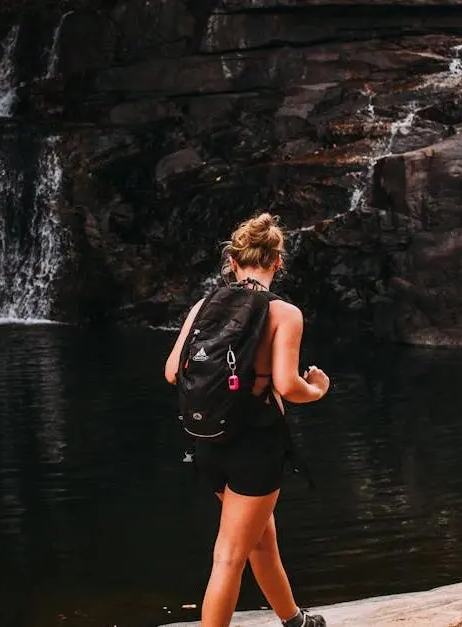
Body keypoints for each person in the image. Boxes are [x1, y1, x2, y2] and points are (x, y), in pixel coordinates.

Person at [164, 213, 331, 627]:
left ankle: (294, 620)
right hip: (256, 446)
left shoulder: (204, 306)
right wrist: (319, 390)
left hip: (208, 438)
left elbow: (172, 372)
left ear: (233, 263)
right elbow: (288, 386)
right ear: (278, 262)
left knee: (260, 539)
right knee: (229, 555)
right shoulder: (285, 313)